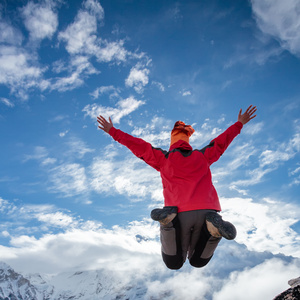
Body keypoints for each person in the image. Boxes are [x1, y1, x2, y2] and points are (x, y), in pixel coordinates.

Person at [97, 105, 257, 270]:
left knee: (173, 263)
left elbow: (138, 146)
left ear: (173, 142)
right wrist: (239, 124)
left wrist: (112, 131)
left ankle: (168, 224)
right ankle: (213, 231)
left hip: (178, 213)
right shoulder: (202, 156)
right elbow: (221, 142)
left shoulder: (164, 159)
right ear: (187, 142)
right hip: (207, 211)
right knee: (198, 262)